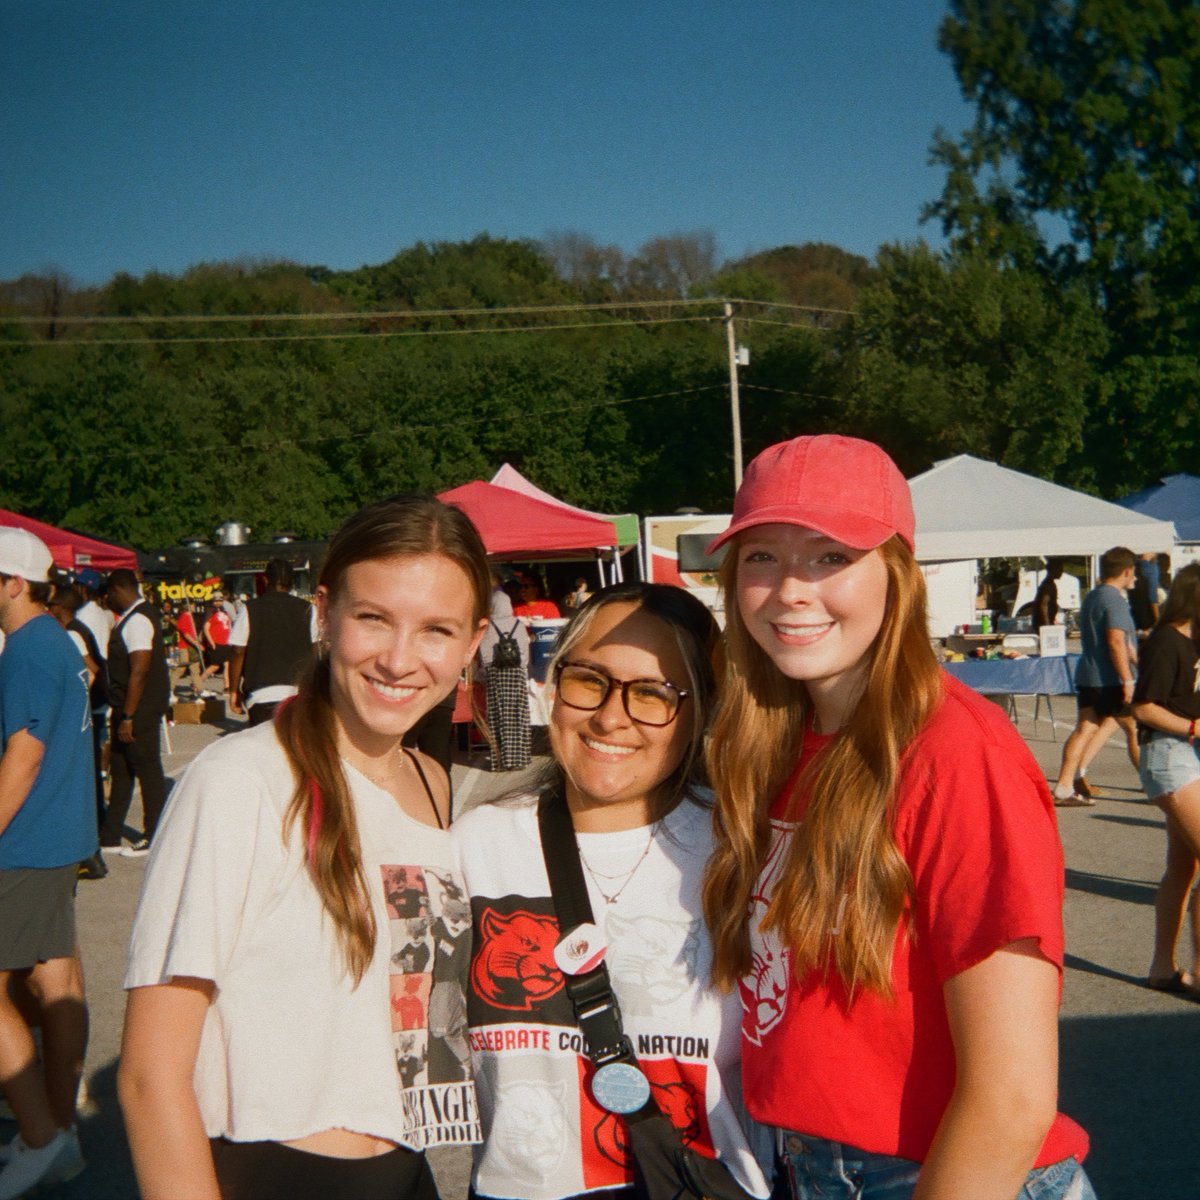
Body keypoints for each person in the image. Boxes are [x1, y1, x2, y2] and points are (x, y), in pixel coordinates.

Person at [702, 434, 1093, 1200]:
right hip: (809, 1168)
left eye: (829, 557)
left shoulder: (956, 753)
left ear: (898, 576)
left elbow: (1011, 1099)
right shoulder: (779, 743)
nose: (790, 591)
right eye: (762, 557)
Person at [118, 494, 491, 1200]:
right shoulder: (240, 781)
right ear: (325, 613)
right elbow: (148, 1076)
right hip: (277, 1174)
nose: (400, 658)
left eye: (436, 630)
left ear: (472, 643)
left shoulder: (432, 780)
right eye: (373, 618)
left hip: (405, 1169)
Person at [455, 582, 772, 1200]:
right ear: (553, 683)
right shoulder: (478, 846)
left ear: (703, 710)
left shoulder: (745, 853)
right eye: (589, 679)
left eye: (653, 693)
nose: (609, 716)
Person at [0, 529, 94, 1198]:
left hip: (25, 842)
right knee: (56, 983)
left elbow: (24, 754)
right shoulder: (58, 639)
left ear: (13, 583)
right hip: (59, 838)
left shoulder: (27, 649)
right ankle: (60, 1124)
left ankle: (41, 1134)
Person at [1130, 563, 1200, 1000]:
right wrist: (1193, 728)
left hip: (1187, 755)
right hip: (1170, 755)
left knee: (1183, 866)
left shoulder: (1192, 641)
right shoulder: (1166, 641)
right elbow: (1143, 707)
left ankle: (1162, 968)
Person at [1051, 547, 1140, 806]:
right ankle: (1155, 787)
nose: (1134, 578)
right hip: (1110, 677)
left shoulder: (1092, 597)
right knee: (1134, 729)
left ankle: (1064, 786)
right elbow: (1116, 640)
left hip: (1089, 673)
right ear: (1127, 571)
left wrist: (1137, 662)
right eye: (1133, 572)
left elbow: (1125, 644)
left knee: (1085, 728)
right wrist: (1128, 679)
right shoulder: (1115, 600)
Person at [98, 570, 172, 858]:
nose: (107, 599)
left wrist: (128, 715)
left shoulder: (138, 620)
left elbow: (139, 670)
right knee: (122, 769)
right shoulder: (133, 617)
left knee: (147, 769)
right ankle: (110, 835)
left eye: (109, 593)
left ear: (119, 589)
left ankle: (154, 833)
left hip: (138, 708)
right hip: (127, 707)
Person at [227, 557, 318, 726]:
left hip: (262, 695)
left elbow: (237, 651)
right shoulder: (309, 609)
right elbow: (316, 650)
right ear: (292, 582)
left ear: (265, 579)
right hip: (299, 693)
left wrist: (233, 689)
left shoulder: (249, 609)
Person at [477, 575, 531, 772]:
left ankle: (500, 760)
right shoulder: (518, 624)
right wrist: (523, 667)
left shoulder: (489, 625)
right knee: (518, 714)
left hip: (495, 673)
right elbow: (525, 649)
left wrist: (484, 671)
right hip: (516, 672)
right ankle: (520, 758)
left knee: (498, 714)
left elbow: (484, 651)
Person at [1033, 558, 1064, 629]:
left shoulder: (1050, 584)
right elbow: (1044, 605)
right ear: (1053, 570)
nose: (1062, 572)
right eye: (1060, 569)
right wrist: (1047, 625)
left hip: (1048, 621)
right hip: (1043, 624)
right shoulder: (1048, 585)